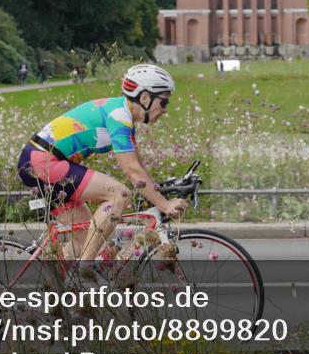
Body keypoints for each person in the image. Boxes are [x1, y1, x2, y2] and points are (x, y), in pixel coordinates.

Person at [17, 65, 188, 260]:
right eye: (164, 102)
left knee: (86, 241)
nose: (165, 110)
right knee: (120, 194)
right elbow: (132, 170)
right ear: (145, 97)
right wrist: (164, 205)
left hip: (39, 163)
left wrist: (158, 192)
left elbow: (138, 167)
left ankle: (65, 278)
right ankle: (86, 268)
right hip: (44, 162)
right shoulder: (119, 116)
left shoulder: (122, 114)